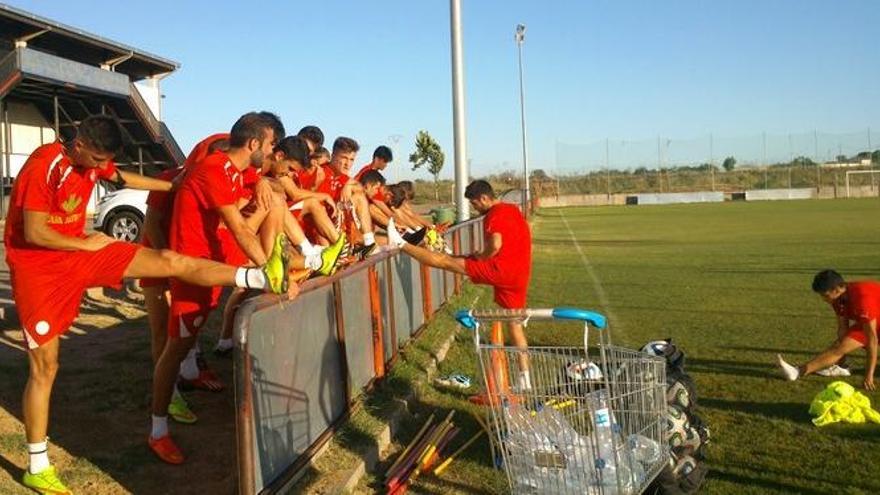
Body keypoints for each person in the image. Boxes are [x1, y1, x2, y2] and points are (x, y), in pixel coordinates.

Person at [5, 115, 290, 494]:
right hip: (40, 269)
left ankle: (258, 278)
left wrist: (172, 184)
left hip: (80, 254)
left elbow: (121, 178)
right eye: (95, 161)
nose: (99, 169)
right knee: (46, 368)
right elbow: (35, 230)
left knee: (170, 260)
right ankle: (37, 464)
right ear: (79, 146)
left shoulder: (97, 160)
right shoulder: (46, 163)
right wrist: (88, 241)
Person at [149, 112, 303, 465]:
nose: (273, 153)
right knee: (176, 347)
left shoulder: (238, 170)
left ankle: (297, 261)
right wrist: (269, 272)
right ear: (254, 144)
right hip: (196, 269)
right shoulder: (215, 169)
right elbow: (238, 228)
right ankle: (157, 429)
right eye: (271, 145)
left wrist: (265, 184)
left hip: (219, 258)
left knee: (274, 205)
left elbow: (268, 184)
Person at [386, 180, 531, 401]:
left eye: (474, 204)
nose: (475, 209)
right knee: (515, 324)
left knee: (445, 261)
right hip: (520, 273)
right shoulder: (512, 209)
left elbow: (496, 244)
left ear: (483, 198)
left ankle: (400, 244)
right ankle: (525, 379)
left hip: (500, 269)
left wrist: (481, 257)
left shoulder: (494, 214)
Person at [778, 270, 879, 390]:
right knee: (840, 346)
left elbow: (872, 340)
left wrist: (869, 375)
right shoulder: (837, 299)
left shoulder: (863, 299)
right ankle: (797, 372)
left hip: (874, 322)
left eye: (825, 295)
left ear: (837, 290)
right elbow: (842, 329)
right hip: (875, 321)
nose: (823, 299)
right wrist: (842, 362)